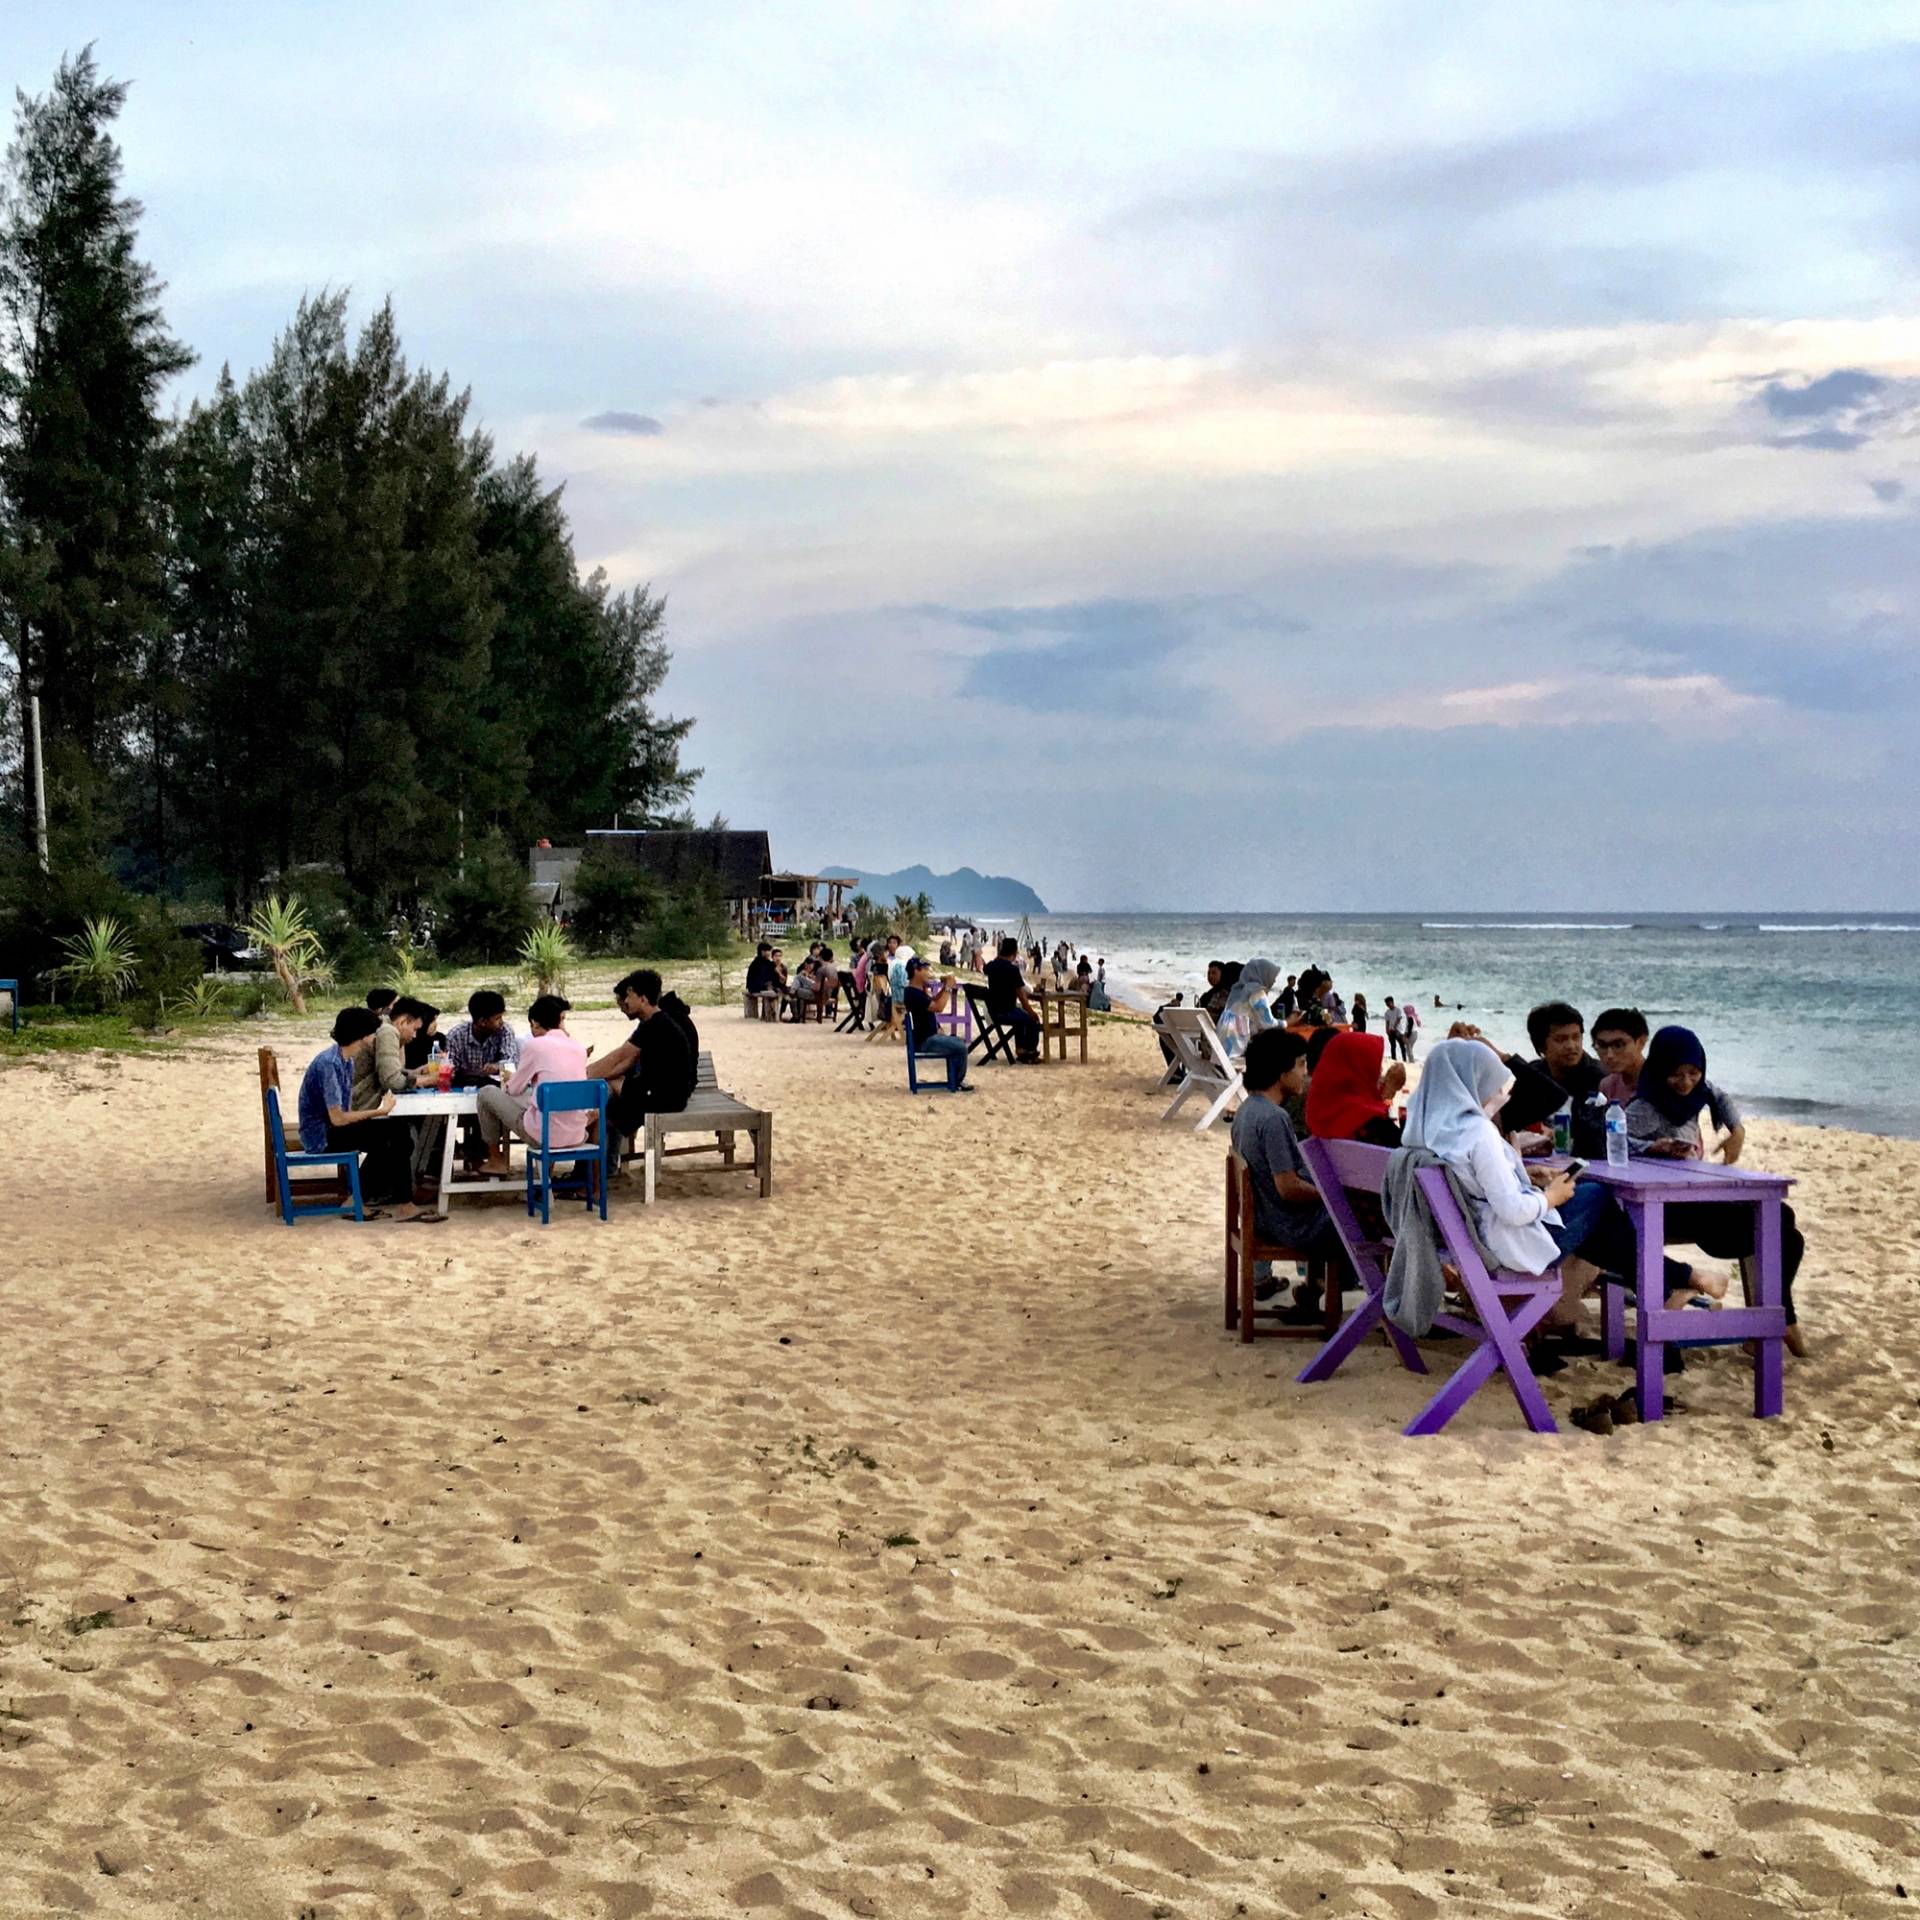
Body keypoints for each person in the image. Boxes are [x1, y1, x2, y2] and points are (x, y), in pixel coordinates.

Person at [1625, 1026, 1804, 1349]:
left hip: (1699, 1194)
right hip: (1663, 1205)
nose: (1686, 1082)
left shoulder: (1699, 1092)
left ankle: (1776, 1322)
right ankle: (1777, 1323)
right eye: (1676, 1074)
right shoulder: (1643, 1107)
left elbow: (1718, 1095)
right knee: (1779, 1225)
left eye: (1693, 1072)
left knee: (1785, 1221)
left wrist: (1737, 1131)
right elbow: (1617, 1142)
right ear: (1660, 1070)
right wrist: (1653, 1148)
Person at [1229, 1028, 1346, 1319]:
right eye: (1301, 1065)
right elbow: (1288, 1188)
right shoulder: (1274, 1119)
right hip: (1283, 1224)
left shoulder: (1247, 1111)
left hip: (1264, 1217)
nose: (1304, 1073)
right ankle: (1326, 1290)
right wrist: (1329, 1195)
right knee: (1355, 1213)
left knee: (1336, 1207)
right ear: (1281, 1073)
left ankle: (1314, 1288)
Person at [297, 1007, 437, 1221]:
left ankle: (364, 1199)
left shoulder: (345, 1060)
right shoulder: (329, 1063)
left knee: (398, 1136)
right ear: (363, 1035)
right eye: (373, 1033)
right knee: (394, 1135)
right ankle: (397, 1203)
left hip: (334, 1128)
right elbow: (338, 1118)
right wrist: (379, 1111)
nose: (376, 1037)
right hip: (321, 1136)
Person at [477, 992, 592, 1173]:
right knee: (545, 1105)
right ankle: (544, 1180)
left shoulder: (535, 1046)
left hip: (544, 1137)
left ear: (535, 1024)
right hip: (577, 1135)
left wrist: (509, 1080)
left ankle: (495, 1159)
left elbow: (514, 1089)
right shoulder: (578, 1048)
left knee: (486, 1093)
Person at [586, 969, 696, 1150]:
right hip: (663, 1093)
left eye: (629, 996)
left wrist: (581, 1075)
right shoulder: (656, 1022)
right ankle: (607, 1168)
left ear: (643, 999)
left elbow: (620, 1056)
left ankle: (592, 1174)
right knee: (608, 1101)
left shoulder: (655, 1025)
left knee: (601, 1113)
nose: (626, 1001)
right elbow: (623, 1062)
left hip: (663, 1098)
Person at [1526, 1000, 1608, 1156]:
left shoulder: (1599, 1078)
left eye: (1576, 1037)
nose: (1571, 1046)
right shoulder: (1533, 1074)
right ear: (1541, 1046)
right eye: (1561, 1039)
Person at [1304, 1030, 1407, 1146]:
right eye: (1376, 1066)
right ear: (1359, 1070)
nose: (1381, 1071)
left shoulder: (1318, 1109)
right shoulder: (1367, 1117)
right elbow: (1405, 1148)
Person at [353, 994, 433, 1109]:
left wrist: (418, 1072)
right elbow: (392, 1081)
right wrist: (429, 1080)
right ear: (402, 1022)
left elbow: (394, 1071)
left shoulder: (386, 1026)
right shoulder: (388, 1031)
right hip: (358, 1107)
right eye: (414, 1029)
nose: (414, 1035)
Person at [903, 955, 971, 1090]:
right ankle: (956, 1082)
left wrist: (944, 987)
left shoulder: (915, 991)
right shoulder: (913, 993)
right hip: (924, 1040)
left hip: (926, 1036)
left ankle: (955, 1080)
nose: (928, 973)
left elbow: (933, 1002)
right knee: (960, 1047)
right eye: (926, 970)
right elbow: (938, 1007)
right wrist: (948, 988)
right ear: (916, 971)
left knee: (957, 1041)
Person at [446, 989, 521, 1087]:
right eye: (497, 1018)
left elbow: (511, 1062)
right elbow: (449, 1071)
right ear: (482, 1022)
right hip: (463, 1088)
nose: (501, 1022)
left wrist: (497, 1066)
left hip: (495, 1089)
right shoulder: (456, 1036)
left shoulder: (504, 1031)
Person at [985, 936, 1042, 1061]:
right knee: (1032, 1021)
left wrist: (998, 958)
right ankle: (1029, 1051)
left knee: (1021, 1017)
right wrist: (1031, 1012)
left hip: (993, 1010)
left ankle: (1021, 1049)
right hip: (1006, 1011)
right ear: (1014, 952)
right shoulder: (1012, 970)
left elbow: (986, 967)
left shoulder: (991, 967)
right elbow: (1021, 996)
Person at [1216, 958, 1282, 1057]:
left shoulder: (1236, 992)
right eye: (1272, 976)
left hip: (1222, 1051)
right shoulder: (1256, 991)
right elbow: (1268, 1024)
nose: (1274, 980)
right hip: (1236, 1052)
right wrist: (1288, 1022)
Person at [1592, 1006, 1650, 1107]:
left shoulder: (1661, 1083)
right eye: (1602, 1046)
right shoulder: (1608, 1086)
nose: (1609, 1055)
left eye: (1618, 1045)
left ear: (1641, 1042)